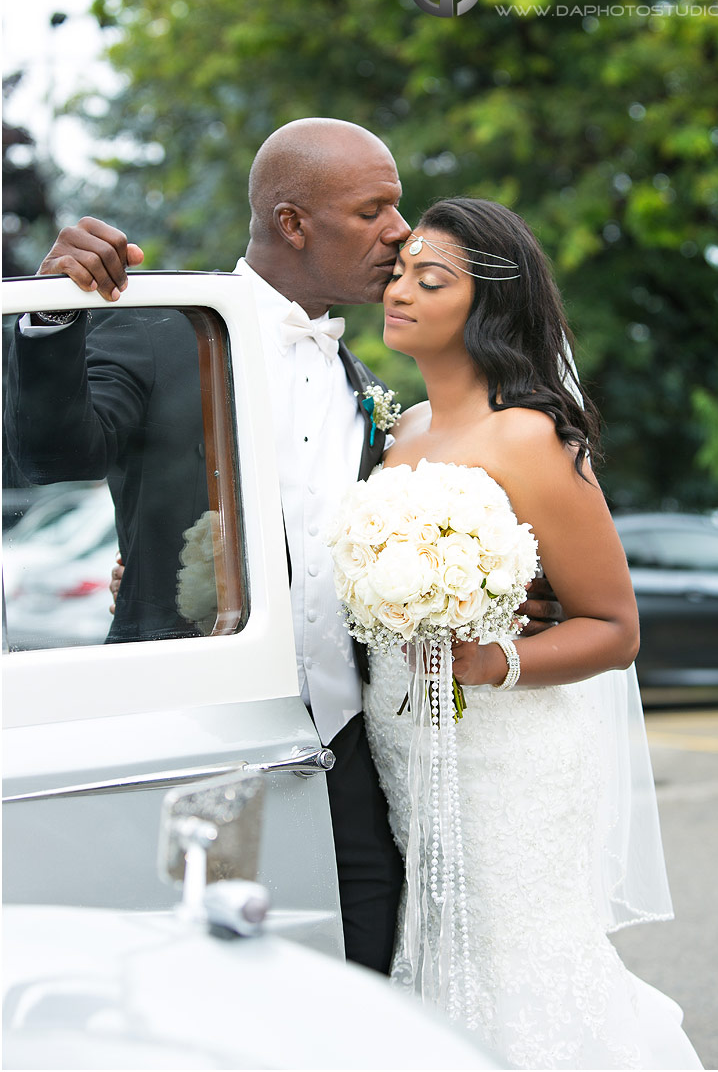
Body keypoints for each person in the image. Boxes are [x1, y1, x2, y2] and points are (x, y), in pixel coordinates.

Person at [4, 121, 559, 976]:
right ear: (293, 222)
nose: (401, 232)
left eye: (398, 206)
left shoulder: (374, 397)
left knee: (366, 986)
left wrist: (504, 596)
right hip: (191, 743)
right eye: (374, 209)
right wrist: (49, 315)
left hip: (347, 757)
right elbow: (54, 455)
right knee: (200, 993)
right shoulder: (161, 327)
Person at [358, 198, 703, 1067]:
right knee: (434, 946)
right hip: (404, 744)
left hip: (508, 754)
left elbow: (614, 628)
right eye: (399, 272)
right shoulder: (397, 434)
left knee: (519, 954)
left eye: (429, 279)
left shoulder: (530, 438)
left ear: (488, 308)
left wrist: (494, 660)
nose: (399, 290)